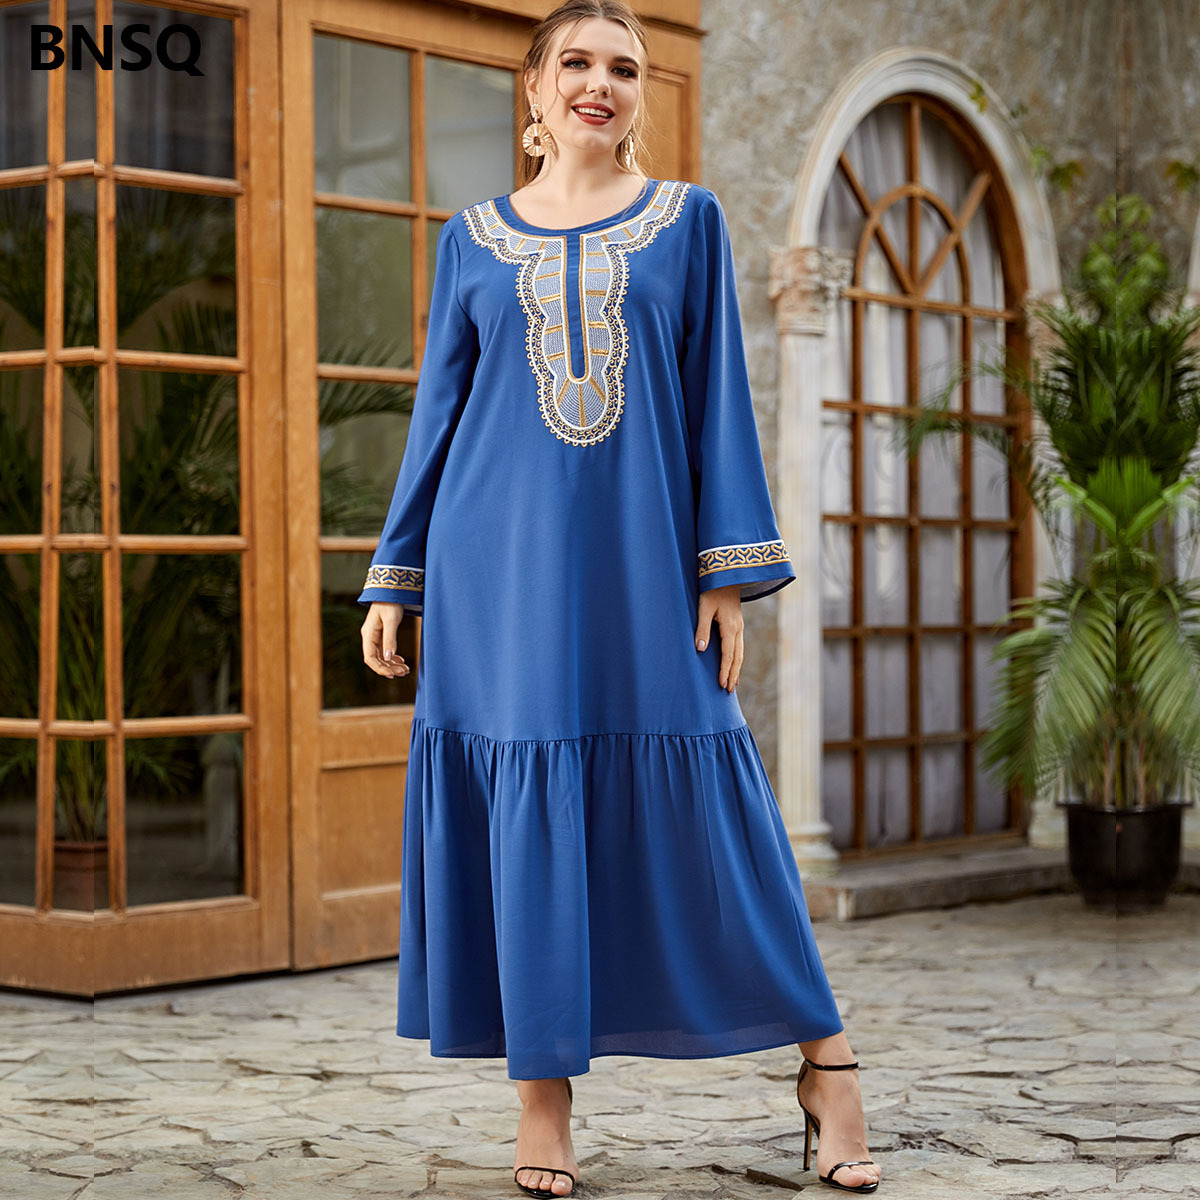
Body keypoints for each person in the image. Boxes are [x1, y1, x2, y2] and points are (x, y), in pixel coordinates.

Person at [358, 2, 882, 1195]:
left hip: (644, 567)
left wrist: (726, 577)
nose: (600, 83)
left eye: (624, 68)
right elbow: (438, 415)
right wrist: (398, 574)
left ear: (641, 93)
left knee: (720, 808)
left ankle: (830, 1063)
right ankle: (543, 1103)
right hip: (494, 577)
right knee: (526, 800)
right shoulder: (471, 240)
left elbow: (717, 402)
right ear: (535, 88)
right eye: (577, 63)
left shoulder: (687, 222)